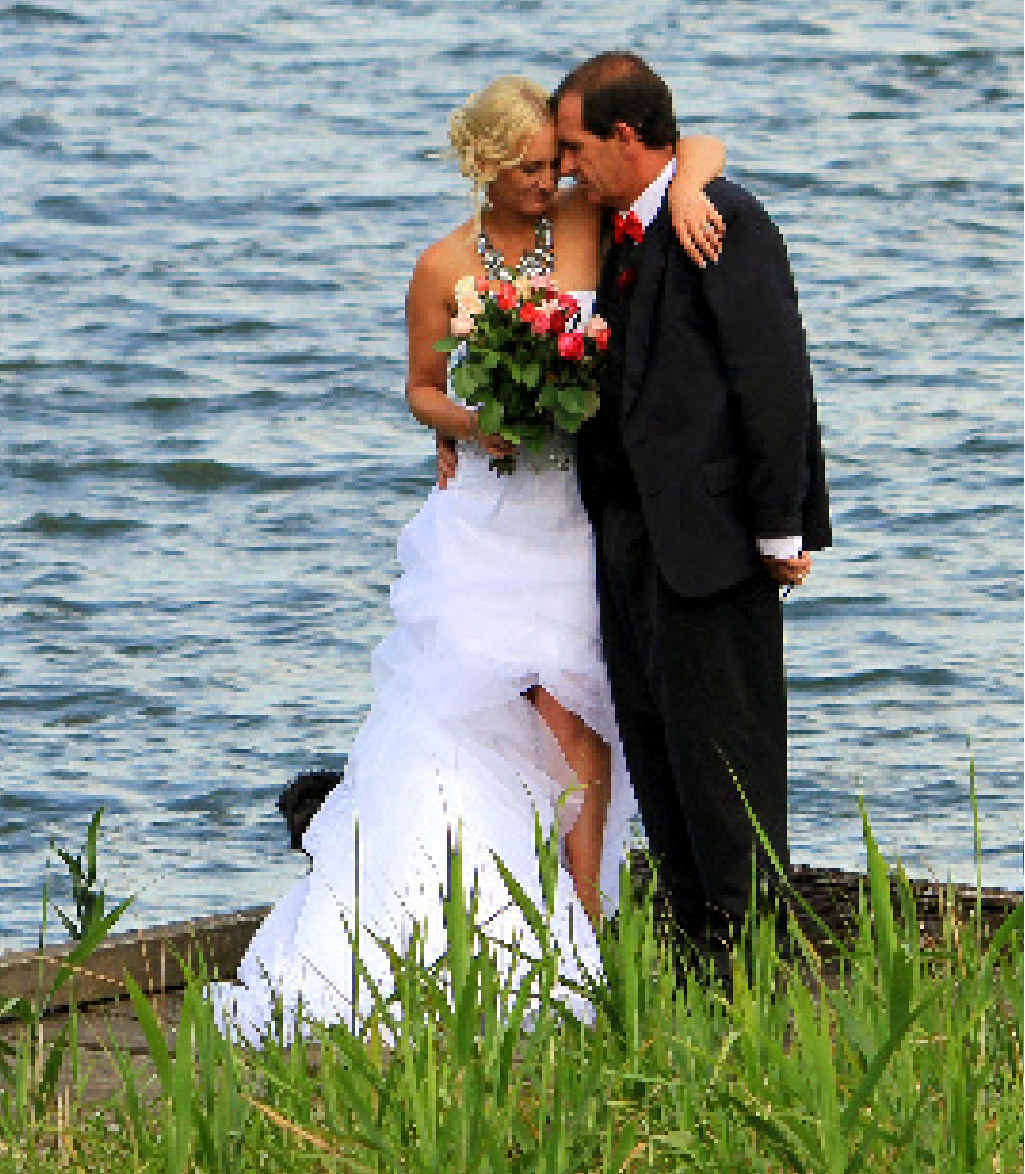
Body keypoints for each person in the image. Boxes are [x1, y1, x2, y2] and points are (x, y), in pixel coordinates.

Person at [209, 76, 725, 1042]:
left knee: (579, 709)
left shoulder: (580, 221)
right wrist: (471, 422)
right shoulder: (441, 265)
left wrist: (691, 190)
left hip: (573, 512)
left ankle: (584, 918)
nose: (550, 179)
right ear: (485, 168)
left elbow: (694, 146)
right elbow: (419, 389)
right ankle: (481, 918)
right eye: (530, 168)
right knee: (491, 709)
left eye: (555, 161)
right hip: (487, 519)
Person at [552, 53, 832, 965]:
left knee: (727, 761)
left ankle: (755, 956)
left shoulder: (725, 220)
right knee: (658, 748)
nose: (565, 166)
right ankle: (696, 943)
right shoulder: (620, 223)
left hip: (711, 544)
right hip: (628, 538)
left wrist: (781, 526)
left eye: (575, 147)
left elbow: (773, 378)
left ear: (625, 138)